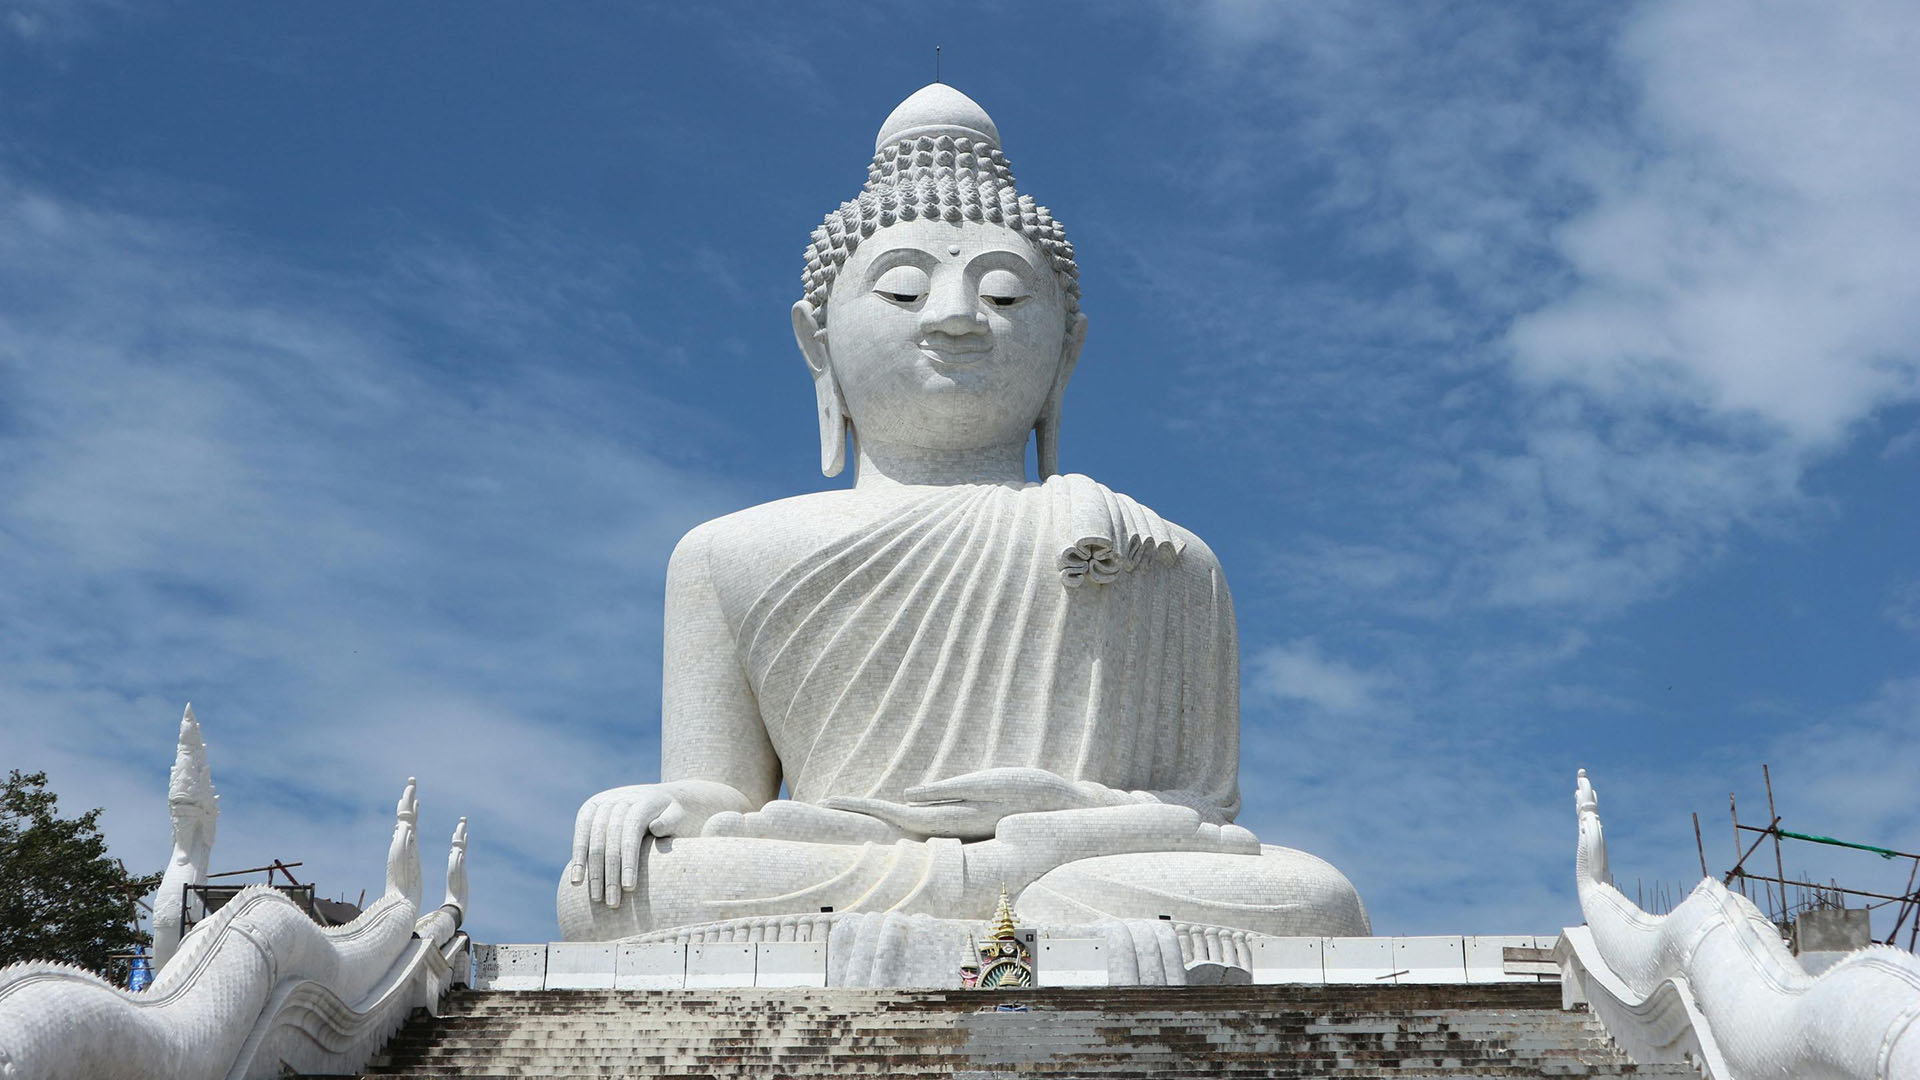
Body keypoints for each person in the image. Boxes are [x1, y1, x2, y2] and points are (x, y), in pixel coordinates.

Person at [557, 84, 1367, 942]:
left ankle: (981, 911)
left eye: (1008, 297)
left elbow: (1195, 816)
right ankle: (1009, 912)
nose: (956, 317)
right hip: (852, 858)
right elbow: (726, 794)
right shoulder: (728, 552)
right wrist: (662, 803)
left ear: (1068, 350)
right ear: (816, 343)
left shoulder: (1163, 554)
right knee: (615, 889)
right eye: (904, 291)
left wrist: (1059, 814)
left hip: (1074, 862)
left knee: (1317, 898)